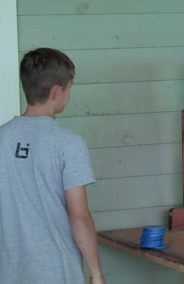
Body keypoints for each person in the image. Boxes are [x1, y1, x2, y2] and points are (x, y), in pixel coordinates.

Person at [0, 48, 106, 284]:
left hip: (8, 271)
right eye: (70, 87)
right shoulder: (68, 144)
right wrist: (96, 273)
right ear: (57, 92)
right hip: (57, 271)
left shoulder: (1, 138)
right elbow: (79, 217)